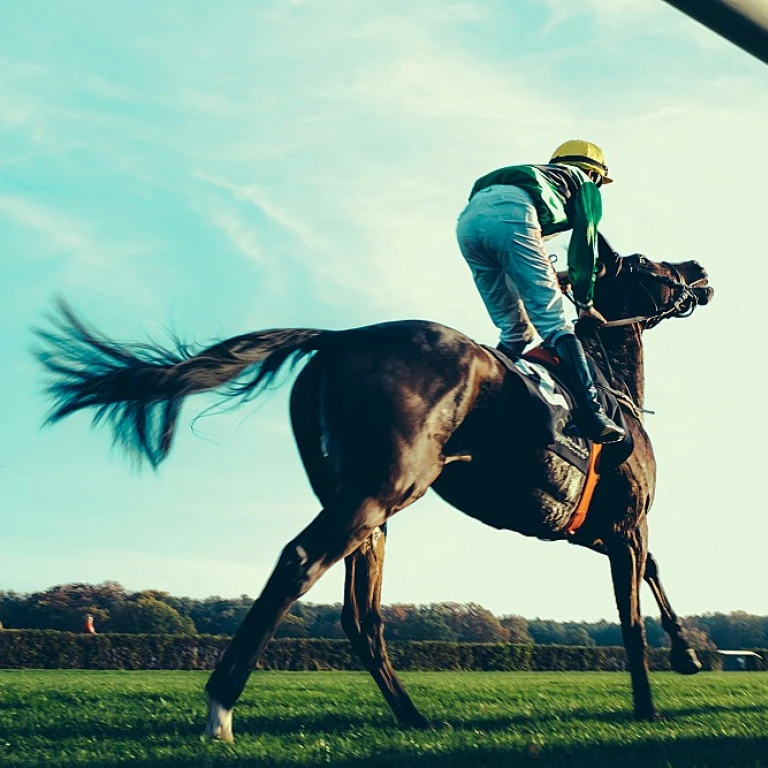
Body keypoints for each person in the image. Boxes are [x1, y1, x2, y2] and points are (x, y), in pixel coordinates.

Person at [456, 139, 624, 444]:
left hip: (468, 223)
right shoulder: (585, 184)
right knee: (554, 321)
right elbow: (584, 242)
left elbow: (518, 240)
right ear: (597, 175)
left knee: (516, 330)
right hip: (514, 217)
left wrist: (554, 275)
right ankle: (592, 413)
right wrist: (585, 300)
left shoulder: (538, 175)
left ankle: (481, 396)